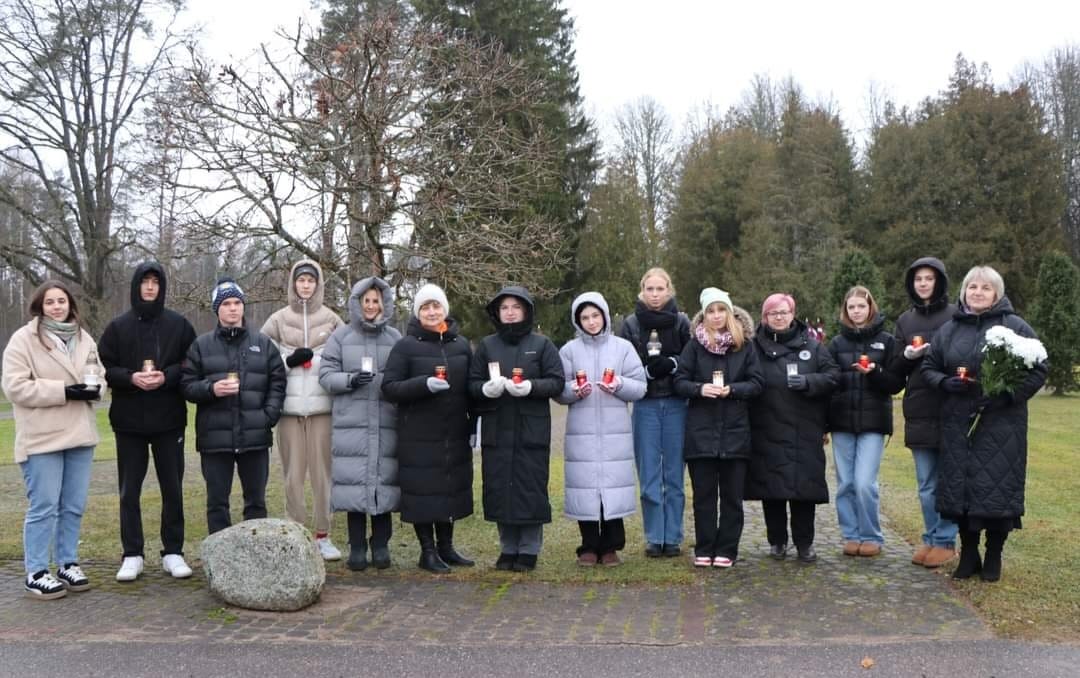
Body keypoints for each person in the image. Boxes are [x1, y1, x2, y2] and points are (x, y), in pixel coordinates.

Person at [921, 266, 1047, 582]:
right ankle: (969, 554)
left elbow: (1038, 367)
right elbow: (929, 365)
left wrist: (1007, 395)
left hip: (1001, 423)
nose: (978, 292)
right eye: (972, 286)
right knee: (960, 488)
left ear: (997, 294)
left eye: (986, 288)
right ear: (964, 292)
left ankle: (993, 555)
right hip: (958, 422)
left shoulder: (1014, 326)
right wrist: (944, 382)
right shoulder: (949, 329)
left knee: (995, 489)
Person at [98, 262, 197, 582]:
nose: (150, 287)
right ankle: (132, 554)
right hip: (128, 422)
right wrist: (131, 378)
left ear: (162, 287)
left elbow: (190, 363)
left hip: (169, 421)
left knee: (173, 488)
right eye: (145, 282)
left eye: (156, 282)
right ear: (136, 286)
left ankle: (173, 551)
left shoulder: (179, 325)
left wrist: (166, 377)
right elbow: (105, 367)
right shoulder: (117, 327)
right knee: (129, 491)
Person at [3, 281, 100, 599]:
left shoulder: (84, 338)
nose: (57, 306)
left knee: (72, 506)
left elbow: (98, 372)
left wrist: (96, 386)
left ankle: (68, 563)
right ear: (40, 307)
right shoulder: (23, 340)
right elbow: (15, 387)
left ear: (71, 304)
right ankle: (36, 571)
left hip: (80, 434)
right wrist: (63, 391)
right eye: (50, 302)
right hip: (42, 437)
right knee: (44, 506)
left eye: (61, 301)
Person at [380, 283, 474, 574]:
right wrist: (423, 384)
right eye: (425, 307)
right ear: (418, 312)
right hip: (418, 433)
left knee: (449, 488)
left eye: (436, 306)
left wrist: (474, 424)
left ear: (444, 309)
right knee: (423, 491)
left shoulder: (461, 345)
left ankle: (446, 547)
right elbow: (389, 387)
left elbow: (472, 388)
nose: (432, 312)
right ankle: (427, 551)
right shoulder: (405, 346)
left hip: (454, 431)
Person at [468, 286, 564, 572]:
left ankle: (528, 549)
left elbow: (557, 381)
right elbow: (471, 385)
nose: (510, 312)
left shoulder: (542, 344)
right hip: (497, 427)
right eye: (504, 307)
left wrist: (531, 387)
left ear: (526, 311)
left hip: (531, 428)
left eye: (515, 307)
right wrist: (486, 388)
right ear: (497, 313)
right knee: (499, 486)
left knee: (529, 487)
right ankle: (507, 548)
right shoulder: (487, 346)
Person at [181, 277, 287, 534]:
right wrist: (211, 389)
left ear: (243, 307)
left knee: (256, 503)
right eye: (226, 303)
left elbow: (278, 381)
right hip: (215, 439)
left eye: (237, 302)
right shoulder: (201, 345)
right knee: (217, 503)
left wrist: (268, 416)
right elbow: (186, 385)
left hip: (255, 437)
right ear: (217, 309)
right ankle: (219, 561)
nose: (232, 308)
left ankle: (256, 556)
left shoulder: (262, 344)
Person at [745, 293, 839, 563]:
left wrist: (809, 381)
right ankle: (777, 541)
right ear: (764, 317)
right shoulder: (753, 348)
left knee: (803, 490)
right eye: (773, 313)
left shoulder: (813, 346)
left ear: (793, 314)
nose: (778, 317)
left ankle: (804, 543)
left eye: (783, 312)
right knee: (771, 488)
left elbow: (833, 377)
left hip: (804, 428)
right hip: (766, 426)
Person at [673, 288, 763, 568]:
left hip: (735, 432)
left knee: (732, 497)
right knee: (704, 496)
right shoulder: (694, 347)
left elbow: (757, 383)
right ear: (704, 315)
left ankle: (727, 548)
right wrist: (700, 389)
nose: (716, 316)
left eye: (720, 310)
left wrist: (732, 390)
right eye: (710, 311)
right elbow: (679, 381)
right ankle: (705, 546)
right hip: (701, 433)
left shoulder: (745, 346)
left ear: (729, 312)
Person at [261, 260, 344, 561]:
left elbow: (343, 357)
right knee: (293, 476)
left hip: (323, 409)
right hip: (290, 411)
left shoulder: (332, 319)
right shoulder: (278, 320)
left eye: (311, 280)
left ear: (318, 283)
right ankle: (294, 532)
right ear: (293, 284)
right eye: (301, 280)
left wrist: (319, 361)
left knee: (323, 476)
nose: (305, 285)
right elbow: (262, 360)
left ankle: (324, 535)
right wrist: (288, 362)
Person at [556, 292, 647, 567]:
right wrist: (574, 390)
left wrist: (618, 384)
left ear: (605, 316)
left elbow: (640, 387)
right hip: (581, 433)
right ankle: (588, 546)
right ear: (577, 320)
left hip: (614, 433)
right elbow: (559, 389)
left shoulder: (623, 348)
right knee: (585, 489)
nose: (591, 321)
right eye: (585, 317)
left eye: (595, 315)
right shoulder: (569, 351)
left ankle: (610, 547)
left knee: (612, 488)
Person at [319, 277, 402, 571]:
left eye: (375, 300)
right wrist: (350, 380)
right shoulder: (340, 337)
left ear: (384, 303)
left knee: (383, 483)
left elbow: (403, 375)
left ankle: (380, 544)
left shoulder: (394, 338)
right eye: (365, 300)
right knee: (354, 485)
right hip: (351, 423)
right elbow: (326, 375)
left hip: (386, 420)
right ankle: (356, 546)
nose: (370, 305)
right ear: (357, 303)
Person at [890, 257, 959, 568]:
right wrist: (906, 356)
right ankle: (931, 536)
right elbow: (894, 369)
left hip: (950, 404)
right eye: (918, 279)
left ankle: (946, 539)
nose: (923, 283)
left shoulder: (956, 315)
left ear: (939, 281)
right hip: (918, 408)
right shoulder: (905, 322)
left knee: (950, 479)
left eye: (928, 278)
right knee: (926, 482)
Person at [618, 268, 691, 557]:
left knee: (674, 474)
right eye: (650, 289)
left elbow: (691, 357)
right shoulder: (631, 324)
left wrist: (673, 364)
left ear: (669, 290)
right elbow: (624, 359)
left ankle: (672, 536)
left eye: (660, 289)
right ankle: (653, 537)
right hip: (645, 404)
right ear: (642, 291)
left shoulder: (682, 321)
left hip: (676, 403)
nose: (655, 294)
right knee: (649, 474)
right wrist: (644, 371)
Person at [827, 286, 905, 557]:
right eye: (852, 307)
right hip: (841, 421)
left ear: (870, 308)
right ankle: (851, 534)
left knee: (864, 483)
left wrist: (874, 372)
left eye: (861, 306)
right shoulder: (836, 344)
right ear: (845, 311)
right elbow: (829, 382)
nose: (856, 311)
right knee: (846, 484)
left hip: (873, 422)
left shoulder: (886, 341)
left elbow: (895, 383)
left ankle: (871, 535)